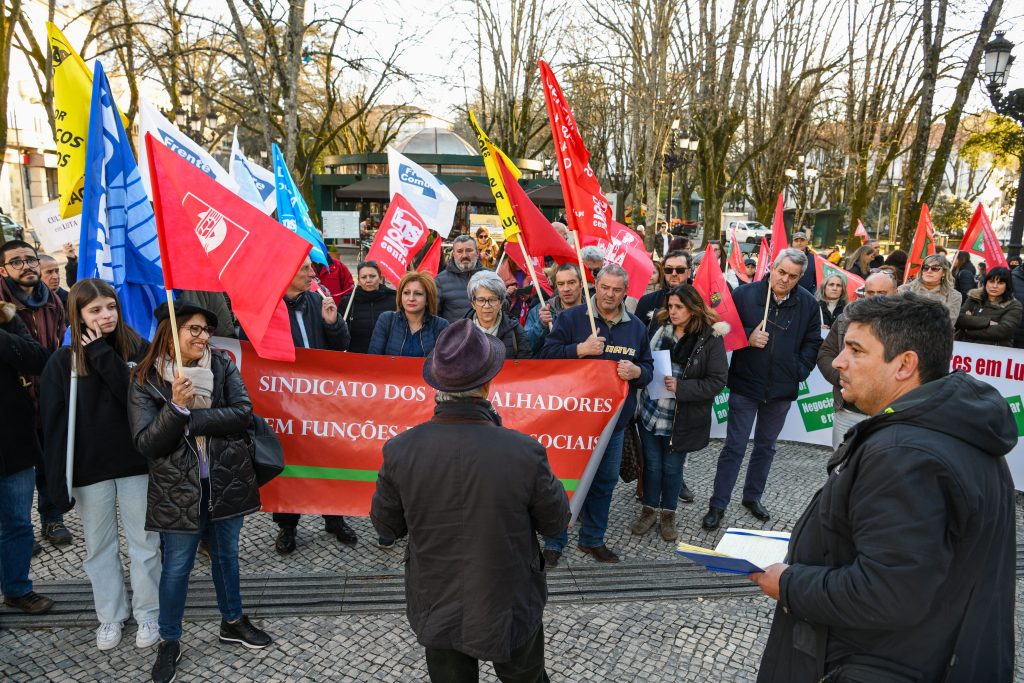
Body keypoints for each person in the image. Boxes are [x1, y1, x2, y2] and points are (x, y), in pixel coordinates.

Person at [753, 294, 1016, 682]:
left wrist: (789, 584)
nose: (839, 362)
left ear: (905, 365)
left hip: (876, 665)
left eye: (856, 350)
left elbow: (888, 593)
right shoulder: (947, 429)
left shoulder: (905, 455)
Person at [371, 319, 569, 682]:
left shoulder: (401, 450)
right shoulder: (523, 451)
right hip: (508, 598)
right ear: (488, 385)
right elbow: (556, 522)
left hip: (436, 596)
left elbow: (386, 526)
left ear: (437, 385)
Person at [129, 301, 271, 683]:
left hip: (225, 479)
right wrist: (175, 405)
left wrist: (189, 419)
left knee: (227, 556)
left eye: (206, 329)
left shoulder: (221, 364)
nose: (203, 336)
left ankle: (233, 620)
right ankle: (169, 640)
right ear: (170, 332)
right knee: (177, 567)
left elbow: (243, 412)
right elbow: (147, 443)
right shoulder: (146, 380)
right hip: (177, 488)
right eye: (193, 329)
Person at [39, 279, 160, 650]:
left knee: (145, 543)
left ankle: (148, 612)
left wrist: (105, 358)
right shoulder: (63, 360)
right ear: (77, 315)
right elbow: (53, 423)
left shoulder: (137, 346)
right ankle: (110, 616)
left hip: (135, 462)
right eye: (95, 310)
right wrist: (56, 480)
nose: (106, 315)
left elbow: (140, 397)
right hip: (90, 469)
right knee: (99, 547)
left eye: (111, 306)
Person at [539, 264, 654, 565]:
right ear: (595, 286)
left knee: (604, 482)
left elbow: (649, 368)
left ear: (625, 293)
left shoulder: (637, 327)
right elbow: (546, 356)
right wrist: (579, 349)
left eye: (617, 290)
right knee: (565, 480)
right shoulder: (573, 318)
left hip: (613, 424)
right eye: (605, 287)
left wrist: (638, 371)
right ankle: (555, 541)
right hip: (574, 420)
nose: (610, 294)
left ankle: (592, 539)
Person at [703, 248, 822, 530]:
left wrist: (798, 371)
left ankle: (752, 497)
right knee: (735, 446)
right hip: (745, 384)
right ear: (773, 267)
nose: (785, 280)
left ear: (800, 277)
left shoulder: (807, 303)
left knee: (766, 447)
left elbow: (813, 342)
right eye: (782, 272)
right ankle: (718, 504)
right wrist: (746, 337)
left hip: (781, 390)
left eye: (793, 276)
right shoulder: (746, 295)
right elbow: (721, 330)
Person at [266, 256, 356, 554]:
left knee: (328, 459)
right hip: (286, 402)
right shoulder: (270, 307)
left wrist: (332, 322)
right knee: (291, 462)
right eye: (304, 268)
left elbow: (341, 343)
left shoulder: (317, 301)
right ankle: (288, 526)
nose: (312, 272)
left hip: (321, 400)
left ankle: (334, 516)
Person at [631, 285, 728, 539]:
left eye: (679, 307)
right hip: (652, 412)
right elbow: (646, 361)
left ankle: (668, 514)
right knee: (652, 465)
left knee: (672, 469)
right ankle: (649, 509)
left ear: (693, 308)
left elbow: (717, 381)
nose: (672, 312)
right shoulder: (661, 328)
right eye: (670, 306)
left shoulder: (710, 338)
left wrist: (682, 387)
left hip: (682, 419)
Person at [0, 240, 71, 547]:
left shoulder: (54, 300)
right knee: (17, 472)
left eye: (30, 260)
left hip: (49, 392)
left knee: (51, 459)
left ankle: (52, 519)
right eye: (17, 262)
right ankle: (19, 532)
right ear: (3, 270)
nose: (26, 266)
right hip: (13, 402)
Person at [0, 297, 54, 616]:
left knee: (18, 523)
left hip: (14, 442)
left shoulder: (7, 316)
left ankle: (17, 589)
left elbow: (38, 359)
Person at [816, 270, 898, 449]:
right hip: (848, 413)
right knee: (840, 471)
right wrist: (840, 379)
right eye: (870, 292)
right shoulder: (846, 319)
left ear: (895, 293)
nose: (875, 298)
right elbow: (825, 353)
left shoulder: (909, 325)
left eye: (882, 293)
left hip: (890, 415)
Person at [368, 271, 450, 357]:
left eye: (418, 294)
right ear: (400, 296)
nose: (411, 298)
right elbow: (373, 359)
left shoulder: (441, 325)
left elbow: (444, 364)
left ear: (428, 299)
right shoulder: (386, 320)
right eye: (406, 293)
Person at [467, 271, 531, 359]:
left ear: (501, 302)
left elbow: (524, 366)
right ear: (473, 303)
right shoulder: (461, 331)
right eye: (481, 300)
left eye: (492, 300)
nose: (487, 306)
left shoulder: (516, 331)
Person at [955, 266, 1022, 347]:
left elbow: (1003, 331)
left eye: (1000, 283)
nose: (994, 286)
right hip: (964, 351)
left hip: (993, 354)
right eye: (991, 281)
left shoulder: (1013, 305)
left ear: (1007, 285)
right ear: (986, 282)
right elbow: (959, 319)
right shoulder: (974, 297)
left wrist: (967, 329)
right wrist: (987, 322)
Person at [525, 263, 584, 353]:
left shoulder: (593, 310)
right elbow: (526, 347)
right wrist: (541, 325)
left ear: (581, 284)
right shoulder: (541, 310)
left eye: (571, 283)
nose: (566, 288)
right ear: (556, 286)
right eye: (560, 284)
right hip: (549, 366)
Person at [340, 260, 396, 354]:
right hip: (357, 356)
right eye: (364, 277)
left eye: (372, 276)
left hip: (387, 356)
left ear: (380, 278)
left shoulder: (394, 299)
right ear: (358, 280)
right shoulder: (348, 301)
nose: (368, 280)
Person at [633, 250, 691, 332]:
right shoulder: (647, 301)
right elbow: (637, 333)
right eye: (669, 269)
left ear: (689, 272)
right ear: (664, 272)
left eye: (680, 269)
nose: (674, 273)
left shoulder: (699, 299)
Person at [897, 253, 961, 326]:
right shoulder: (904, 290)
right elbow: (900, 319)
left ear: (944, 272)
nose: (929, 271)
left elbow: (948, 324)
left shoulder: (954, 295)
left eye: (935, 268)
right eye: (926, 267)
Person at [436, 235, 484, 323]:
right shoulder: (440, 281)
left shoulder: (491, 277)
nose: (464, 255)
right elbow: (434, 317)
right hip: (454, 335)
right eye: (460, 251)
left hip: (486, 336)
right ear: (453, 254)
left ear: (477, 253)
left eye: (469, 250)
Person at [496, 255, 538, 326]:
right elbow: (495, 294)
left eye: (521, 260)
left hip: (526, 312)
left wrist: (528, 297)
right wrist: (506, 293)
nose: (519, 264)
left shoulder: (531, 269)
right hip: (509, 311)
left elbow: (537, 295)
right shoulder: (502, 270)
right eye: (516, 261)